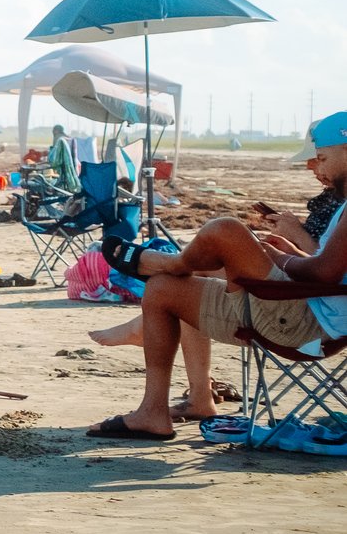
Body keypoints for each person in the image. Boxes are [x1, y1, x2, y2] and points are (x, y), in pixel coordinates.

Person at [87, 113, 347, 441]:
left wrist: (280, 258)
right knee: (164, 289)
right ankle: (160, 410)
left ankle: (168, 262)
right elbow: (331, 273)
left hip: (306, 322)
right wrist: (292, 255)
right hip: (305, 311)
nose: (316, 167)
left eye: (321, 158)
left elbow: (325, 273)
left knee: (225, 230)